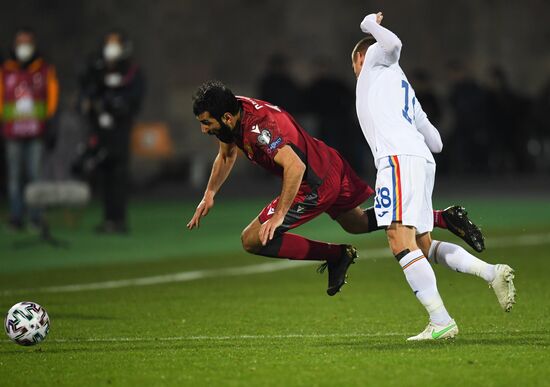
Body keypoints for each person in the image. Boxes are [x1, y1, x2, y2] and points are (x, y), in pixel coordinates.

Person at [187, 81, 485, 296]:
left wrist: (279, 216)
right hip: (328, 161)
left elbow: (295, 167)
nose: (204, 129)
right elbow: (227, 154)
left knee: (252, 239)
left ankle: (335, 255)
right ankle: (443, 218)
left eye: (206, 123)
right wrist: (210, 194)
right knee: (356, 223)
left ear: (226, 118)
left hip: (313, 180)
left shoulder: (259, 128)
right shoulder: (232, 113)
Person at [352, 12, 516, 341]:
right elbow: (437, 142)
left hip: (397, 160)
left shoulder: (372, 59)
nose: (356, 70)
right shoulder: (404, 89)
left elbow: (394, 44)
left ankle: (441, 321)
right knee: (422, 245)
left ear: (360, 56)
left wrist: (369, 24)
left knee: (398, 239)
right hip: (421, 161)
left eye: (353, 63)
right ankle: (491, 273)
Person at [78, 31, 144, 234]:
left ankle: (119, 219)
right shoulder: (97, 69)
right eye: (108, 43)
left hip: (120, 129)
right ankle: (108, 219)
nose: (110, 48)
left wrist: (115, 106)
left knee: (119, 173)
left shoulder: (132, 71)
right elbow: (88, 91)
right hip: (100, 128)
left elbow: (133, 100)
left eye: (115, 43)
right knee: (104, 172)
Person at [0, 27, 59, 231]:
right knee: (14, 178)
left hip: (37, 132)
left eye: (27, 42)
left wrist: (51, 124)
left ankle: (36, 217)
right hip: (12, 133)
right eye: (20, 43)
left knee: (35, 175)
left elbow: (52, 98)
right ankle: (16, 218)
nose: (23, 47)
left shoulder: (43, 70)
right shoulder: (5, 70)